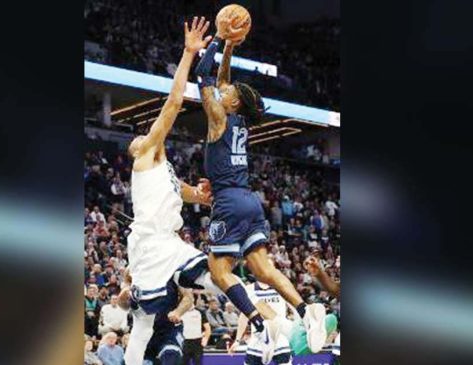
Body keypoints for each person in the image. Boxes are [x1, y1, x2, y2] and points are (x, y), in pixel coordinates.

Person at [194, 19, 327, 356]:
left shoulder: (219, 118)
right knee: (264, 270)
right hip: (251, 201)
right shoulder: (237, 119)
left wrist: (216, 41)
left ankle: (258, 324)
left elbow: (204, 77)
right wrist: (229, 48)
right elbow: (222, 81)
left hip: (228, 201)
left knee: (218, 269)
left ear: (232, 103)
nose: (223, 92)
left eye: (227, 94)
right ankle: (305, 310)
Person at [122, 17, 215, 365]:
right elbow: (174, 102)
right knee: (143, 325)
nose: (141, 136)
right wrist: (188, 53)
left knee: (146, 322)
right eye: (137, 139)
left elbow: (186, 192)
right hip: (150, 242)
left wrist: (203, 195)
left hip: (166, 241)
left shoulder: (165, 170)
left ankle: (268, 317)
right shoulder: (146, 154)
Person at [229, 274, 293, 365]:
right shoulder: (249, 289)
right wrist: (237, 340)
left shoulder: (281, 287)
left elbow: (295, 307)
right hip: (258, 339)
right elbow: (244, 316)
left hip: (279, 338)